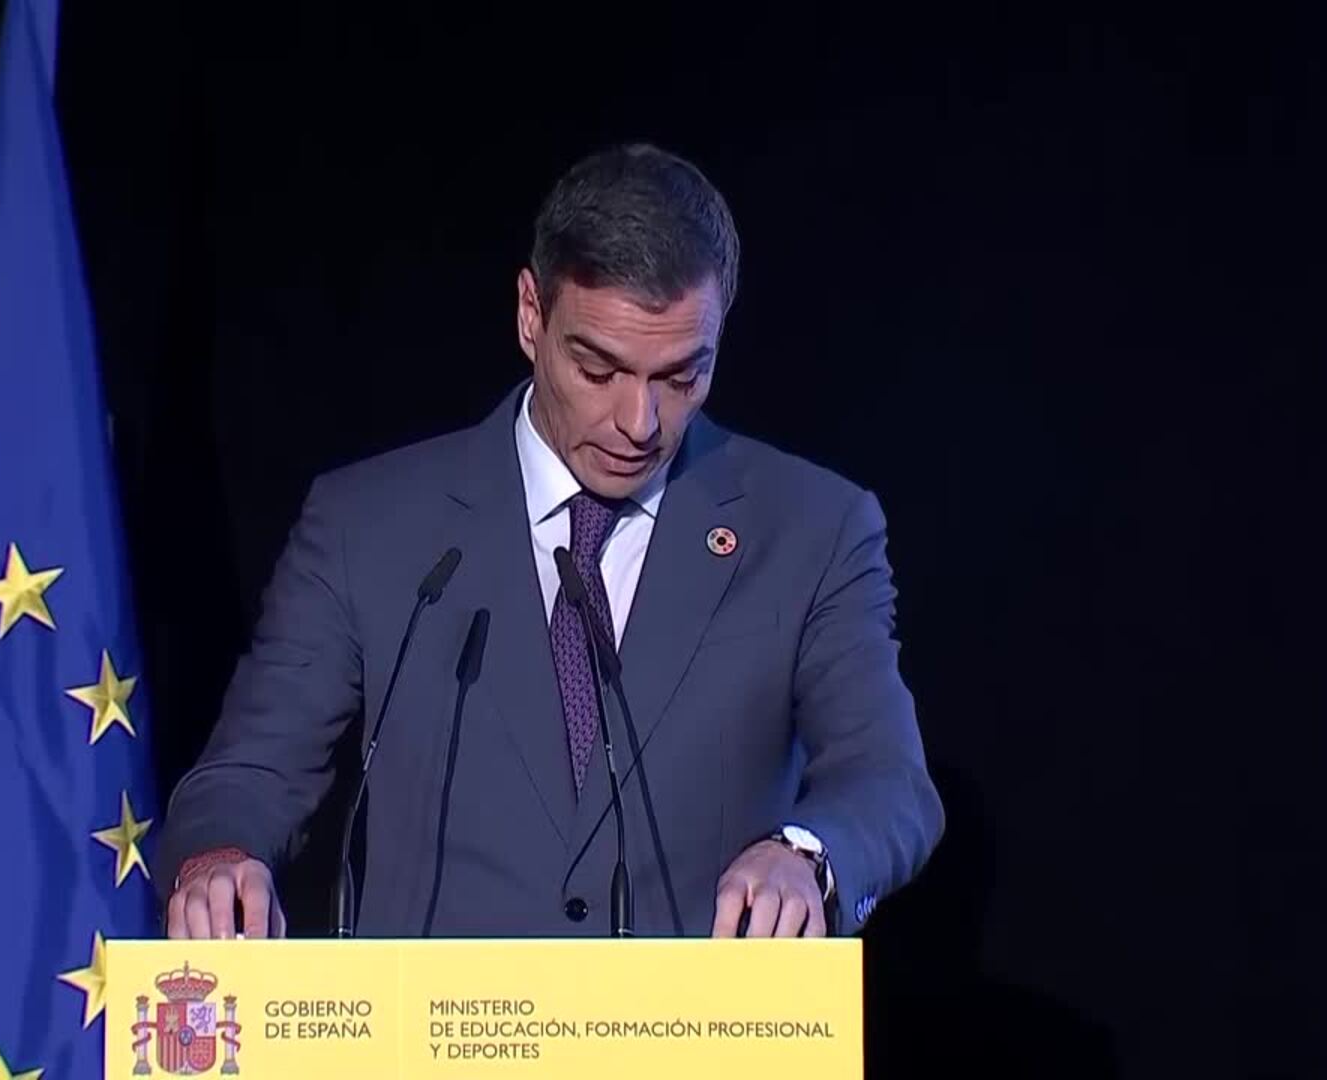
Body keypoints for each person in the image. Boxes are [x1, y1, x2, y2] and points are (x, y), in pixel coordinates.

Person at [155, 142, 943, 939]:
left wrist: (808, 853)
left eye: (680, 377)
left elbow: (888, 783)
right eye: (599, 371)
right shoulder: (365, 526)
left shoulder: (813, 529)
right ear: (531, 315)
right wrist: (218, 858)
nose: (640, 423)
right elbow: (248, 772)